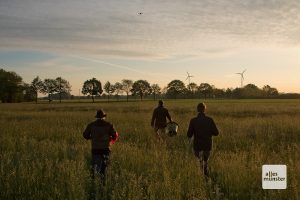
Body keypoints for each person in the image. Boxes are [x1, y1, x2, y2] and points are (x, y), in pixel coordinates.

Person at [83, 109, 118, 181]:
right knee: (105, 168)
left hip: (95, 149)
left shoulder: (91, 125)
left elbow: (85, 135)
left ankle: (94, 182)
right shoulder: (109, 125)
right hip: (106, 149)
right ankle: (103, 183)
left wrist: (92, 137)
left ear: (96, 117)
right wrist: (110, 140)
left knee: (95, 167)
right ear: (104, 116)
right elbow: (115, 135)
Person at [187, 103, 219, 177]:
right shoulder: (210, 120)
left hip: (197, 145)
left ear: (197, 109)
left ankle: (201, 174)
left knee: (199, 160)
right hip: (207, 144)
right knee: (205, 160)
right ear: (204, 109)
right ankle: (205, 174)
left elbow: (189, 135)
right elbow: (216, 133)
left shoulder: (193, 121)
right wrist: (209, 132)